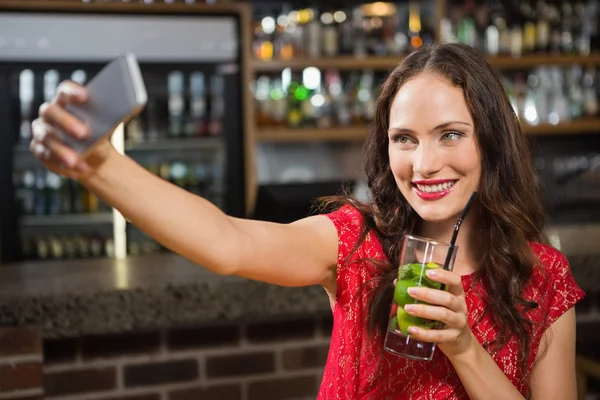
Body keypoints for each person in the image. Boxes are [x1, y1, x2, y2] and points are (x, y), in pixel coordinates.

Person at [30, 42, 584, 399]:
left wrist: (463, 348)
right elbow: (229, 242)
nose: (424, 164)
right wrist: (98, 165)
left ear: (491, 140)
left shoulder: (544, 277)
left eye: (451, 135)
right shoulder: (357, 243)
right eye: (404, 140)